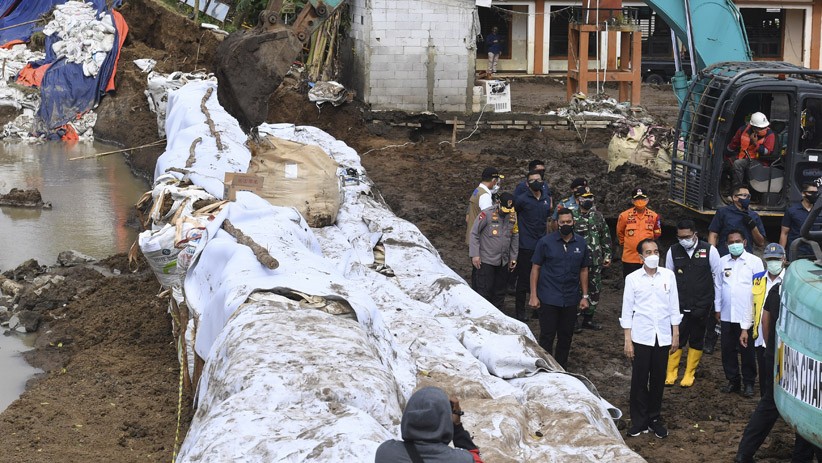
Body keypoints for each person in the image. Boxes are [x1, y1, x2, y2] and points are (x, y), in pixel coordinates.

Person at [734, 250, 822, 462]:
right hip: (806, 365)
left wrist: (773, 350)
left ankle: (744, 454)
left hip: (779, 357)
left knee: (770, 406)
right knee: (809, 411)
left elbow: (766, 321)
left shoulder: (779, 289)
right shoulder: (810, 295)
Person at [621, 238, 681, 438]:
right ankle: (639, 420)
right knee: (639, 379)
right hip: (641, 335)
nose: (653, 255)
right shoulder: (633, 279)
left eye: (655, 251)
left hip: (662, 336)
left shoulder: (668, 276)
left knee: (658, 378)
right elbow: (627, 310)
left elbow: (674, 306)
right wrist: (628, 339)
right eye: (648, 252)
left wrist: (675, 333)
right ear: (640, 257)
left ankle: (654, 417)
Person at [528, 208, 591, 369]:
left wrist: (585, 296)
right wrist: (533, 295)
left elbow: (584, 269)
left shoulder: (581, 243)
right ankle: (545, 367)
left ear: (573, 222)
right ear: (557, 223)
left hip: (570, 298)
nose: (565, 225)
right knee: (547, 335)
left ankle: (561, 367)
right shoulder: (545, 242)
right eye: (562, 222)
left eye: (568, 222)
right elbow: (536, 268)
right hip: (549, 296)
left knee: (566, 336)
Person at [664, 219, 722, 388]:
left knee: (697, 338)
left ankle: (689, 373)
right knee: (677, 337)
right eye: (680, 237)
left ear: (695, 234)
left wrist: (716, 306)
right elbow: (668, 279)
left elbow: (717, 279)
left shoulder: (709, 250)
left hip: (701, 304)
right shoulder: (673, 251)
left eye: (687, 236)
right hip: (680, 304)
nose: (684, 240)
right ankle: (671, 372)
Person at [374, 386, 484, 463]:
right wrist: (457, 426)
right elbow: (476, 459)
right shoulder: (463, 460)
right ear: (444, 421)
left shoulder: (386, 453)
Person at [717, 230, 764, 398]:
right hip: (727, 314)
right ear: (726, 245)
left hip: (746, 315)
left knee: (747, 350)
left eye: (738, 241)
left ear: (744, 242)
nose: (734, 244)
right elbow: (718, 286)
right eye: (731, 242)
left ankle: (749, 383)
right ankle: (733, 380)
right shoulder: (722, 262)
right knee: (727, 349)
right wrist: (717, 308)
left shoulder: (755, 262)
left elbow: (758, 289)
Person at [741, 243, 784, 398]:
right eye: (770, 259)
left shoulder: (789, 280)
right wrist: (745, 328)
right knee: (764, 370)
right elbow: (750, 304)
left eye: (776, 258)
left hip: (781, 335)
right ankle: (765, 400)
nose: (773, 262)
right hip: (760, 334)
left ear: (783, 259)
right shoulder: (758, 279)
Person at [513, 170, 551, 322]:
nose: (536, 182)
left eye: (538, 179)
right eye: (533, 180)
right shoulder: (522, 200)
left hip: (541, 244)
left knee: (541, 277)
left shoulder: (546, 199)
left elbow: (547, 220)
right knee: (523, 280)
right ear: (527, 184)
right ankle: (520, 312)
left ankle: (538, 309)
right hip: (526, 244)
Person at [469, 192, 519, 311]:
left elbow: (515, 236)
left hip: (503, 261)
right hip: (486, 260)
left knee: (500, 292)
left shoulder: (513, 216)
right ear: (498, 203)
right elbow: (474, 233)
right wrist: (475, 255)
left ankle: (497, 316)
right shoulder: (486, 214)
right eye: (504, 209)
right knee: (484, 290)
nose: (507, 212)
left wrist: (513, 258)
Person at [572, 187, 612, 332]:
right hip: (578, 261)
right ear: (578, 200)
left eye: (590, 198)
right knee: (576, 289)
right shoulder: (572, 216)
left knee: (595, 289)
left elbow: (605, 236)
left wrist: (607, 255)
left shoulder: (598, 216)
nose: (588, 201)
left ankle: (588, 319)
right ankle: (574, 319)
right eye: (584, 198)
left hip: (595, 261)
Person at [466, 167, 502, 288]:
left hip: (473, 236)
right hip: (480, 241)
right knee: (480, 275)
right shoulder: (485, 196)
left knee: (476, 272)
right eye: (496, 180)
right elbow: (488, 220)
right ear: (493, 180)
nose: (497, 183)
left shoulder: (477, 191)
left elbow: (468, 217)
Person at [708, 186, 766, 257]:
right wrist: (712, 255)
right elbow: (713, 235)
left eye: (749, 196)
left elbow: (761, 243)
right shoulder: (723, 212)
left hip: (746, 258)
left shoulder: (754, 216)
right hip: (725, 256)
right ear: (735, 197)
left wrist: (753, 226)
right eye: (744, 195)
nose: (747, 198)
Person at [617, 187, 662, 278]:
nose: (640, 201)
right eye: (637, 199)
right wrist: (626, 244)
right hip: (630, 258)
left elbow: (657, 233)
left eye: (642, 199)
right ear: (632, 201)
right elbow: (620, 233)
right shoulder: (624, 216)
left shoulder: (654, 216)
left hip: (648, 258)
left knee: (649, 281)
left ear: (647, 200)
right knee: (631, 282)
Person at [727, 112, 777, 189]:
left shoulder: (770, 135)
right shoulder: (743, 130)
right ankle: (727, 186)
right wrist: (727, 151)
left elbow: (767, 152)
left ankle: (737, 190)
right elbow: (734, 143)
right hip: (743, 156)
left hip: (759, 161)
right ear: (753, 127)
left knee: (738, 164)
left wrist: (755, 143)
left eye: (764, 127)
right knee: (727, 162)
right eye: (760, 128)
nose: (763, 129)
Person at [779, 181, 822, 260]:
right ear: (803, 193)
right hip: (797, 253)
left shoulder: (819, 211)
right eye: (811, 192)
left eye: (816, 193)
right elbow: (784, 233)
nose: (814, 195)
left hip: (816, 254)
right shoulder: (792, 211)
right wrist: (782, 253)